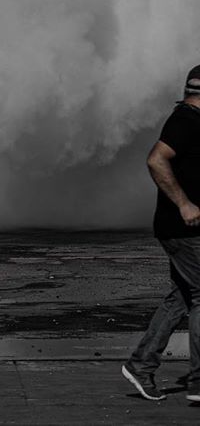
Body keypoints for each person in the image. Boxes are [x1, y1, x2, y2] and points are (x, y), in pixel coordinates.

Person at [122, 66, 200, 403]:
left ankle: (141, 366)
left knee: (181, 298)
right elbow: (156, 160)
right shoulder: (186, 120)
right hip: (184, 229)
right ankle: (198, 383)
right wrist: (184, 203)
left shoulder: (191, 121)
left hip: (181, 230)